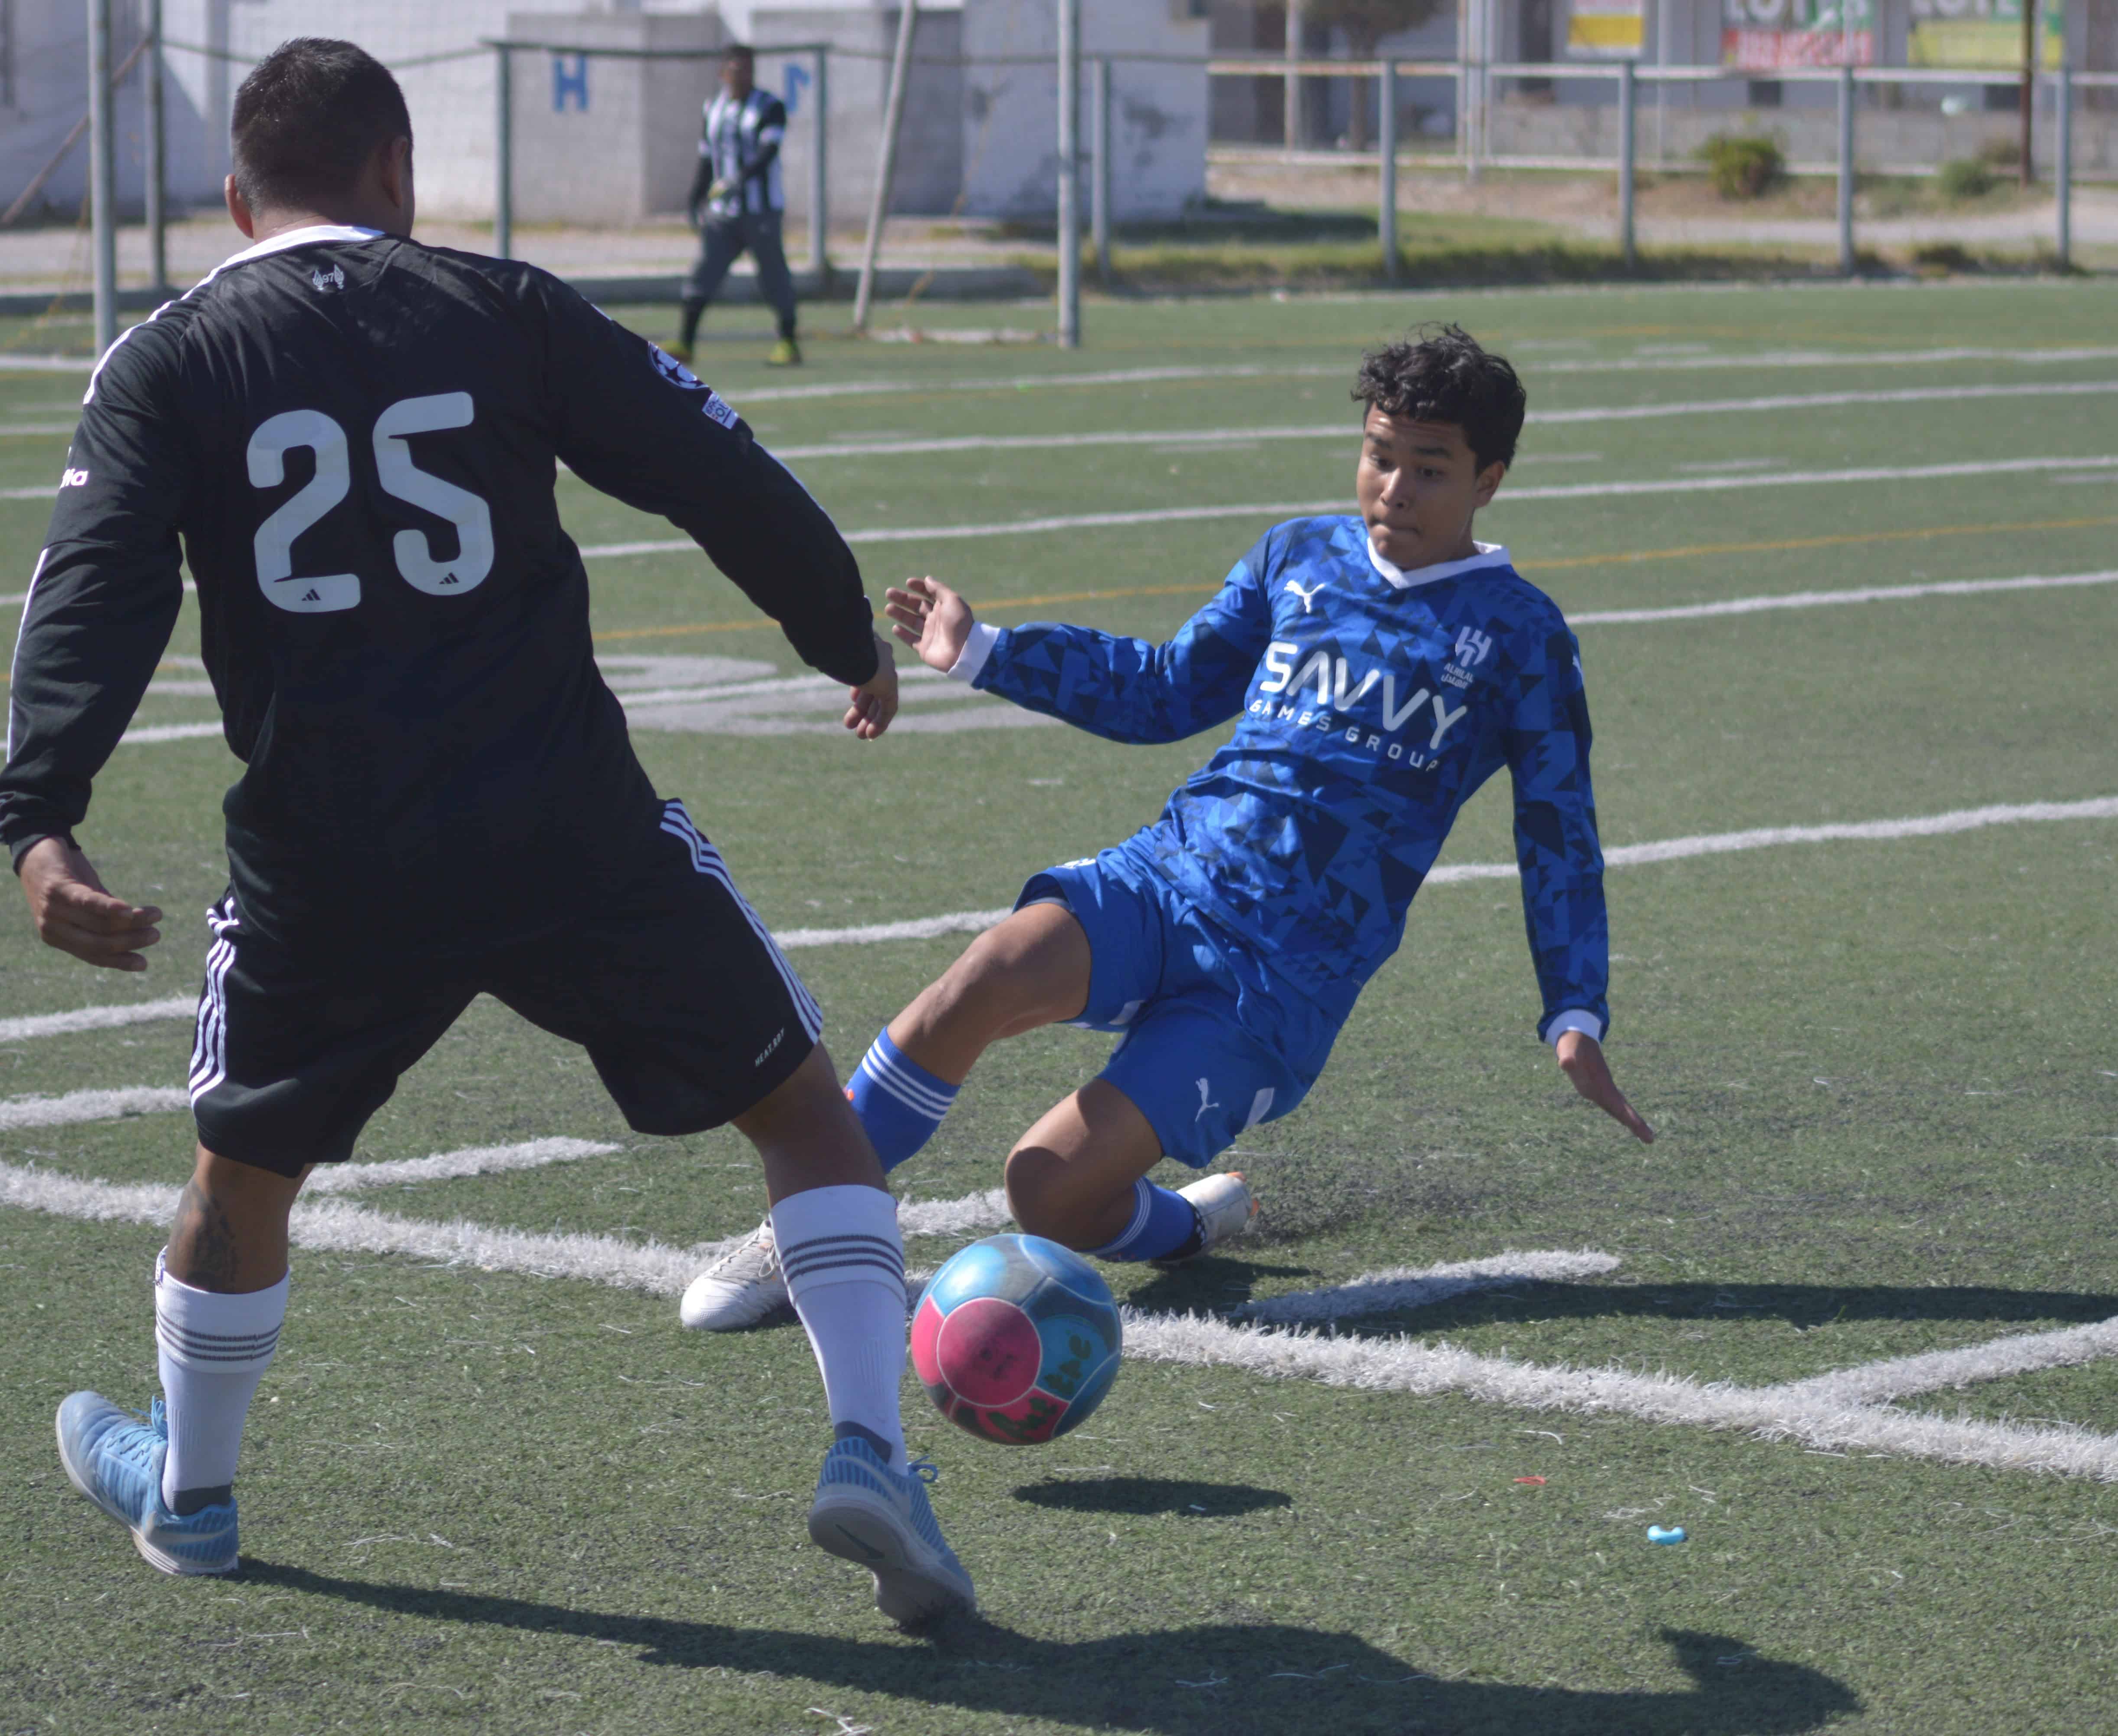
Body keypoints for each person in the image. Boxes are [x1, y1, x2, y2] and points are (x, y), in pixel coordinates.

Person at [0, 37, 972, 1628]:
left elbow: (94, 589)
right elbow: (710, 468)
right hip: (560, 821)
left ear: (237, 199)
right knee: (802, 1113)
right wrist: (835, 633)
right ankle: (867, 1445)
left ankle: (193, 1495)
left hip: (328, 854)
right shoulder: (505, 308)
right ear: (398, 176)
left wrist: (42, 818)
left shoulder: (169, 356)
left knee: (241, 1171)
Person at [681, 325, 1653, 1332]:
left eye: (1431, 468)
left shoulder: (1521, 637)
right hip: (1168, 879)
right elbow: (1164, 690)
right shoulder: (1299, 555)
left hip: (1278, 982)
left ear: (1489, 479)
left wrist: (1573, 1009)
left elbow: (1559, 834)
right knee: (978, 980)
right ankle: (804, 1234)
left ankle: (1180, 1228)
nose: (1394, 488)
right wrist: (987, 652)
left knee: (1043, 1190)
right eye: (1380, 454)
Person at [667, 45, 800, 369]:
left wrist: (738, 179)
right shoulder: (714, 108)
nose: (740, 75)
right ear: (722, 72)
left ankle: (788, 342)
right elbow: (705, 156)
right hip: (723, 215)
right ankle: (685, 343)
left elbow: (769, 151)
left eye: (746, 69)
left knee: (773, 278)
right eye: (734, 68)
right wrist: (695, 197)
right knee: (703, 273)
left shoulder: (770, 107)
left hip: (761, 211)